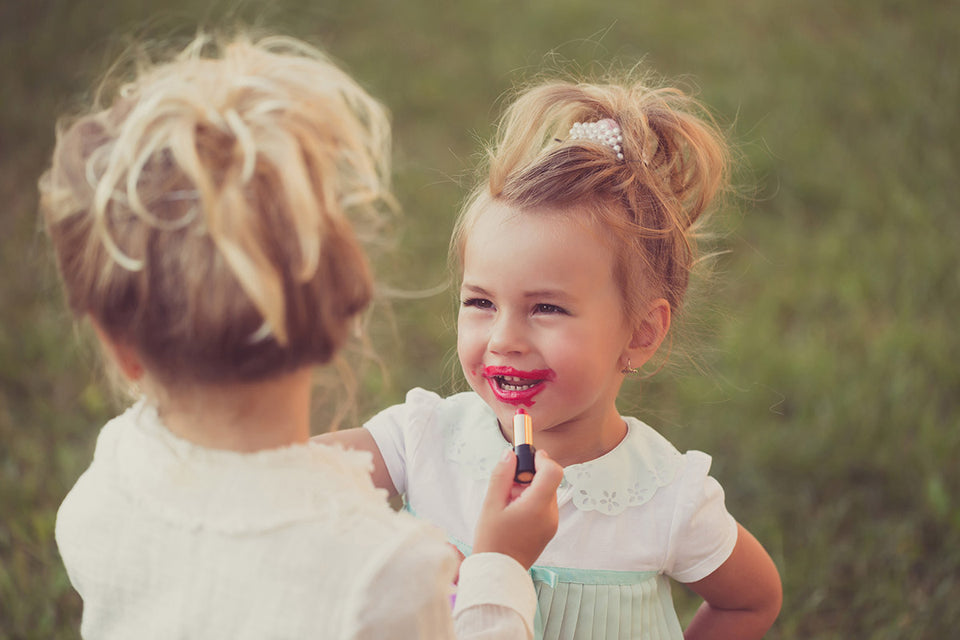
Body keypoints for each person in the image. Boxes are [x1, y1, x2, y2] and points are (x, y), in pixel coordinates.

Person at [40, 31, 564, 639]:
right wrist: (499, 565)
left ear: (118, 344)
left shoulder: (105, 486)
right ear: (343, 310)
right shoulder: (385, 572)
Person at [320, 77, 783, 639]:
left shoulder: (665, 498)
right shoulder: (421, 440)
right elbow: (283, 471)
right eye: (481, 302)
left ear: (639, 333)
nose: (505, 338)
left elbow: (752, 601)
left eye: (546, 307)